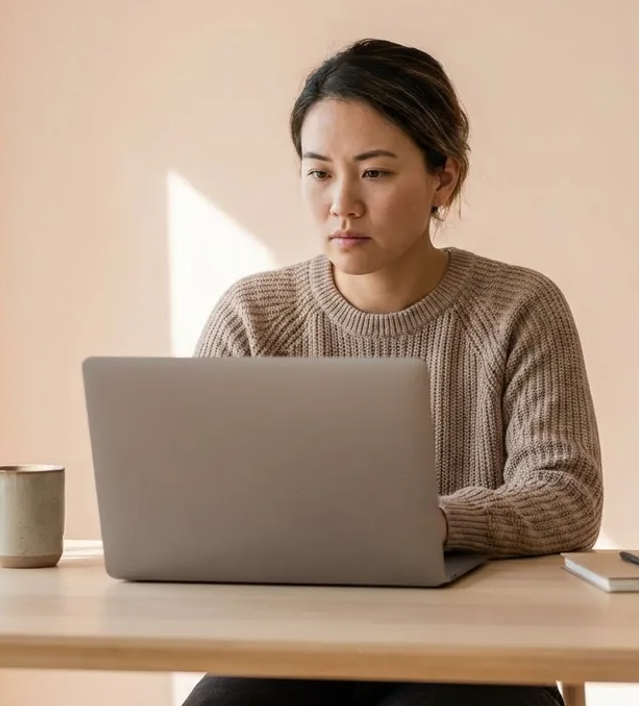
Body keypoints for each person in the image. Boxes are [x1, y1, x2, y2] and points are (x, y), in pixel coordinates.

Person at [185, 38, 603, 706]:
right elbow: (194, 507)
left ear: (445, 177)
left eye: (374, 173)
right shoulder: (252, 317)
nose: (342, 204)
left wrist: (425, 522)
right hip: (293, 650)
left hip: (478, 653)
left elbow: (566, 498)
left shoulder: (520, 308)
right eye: (318, 172)